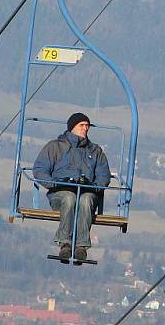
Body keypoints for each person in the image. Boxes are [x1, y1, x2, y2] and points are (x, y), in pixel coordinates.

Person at [32, 112, 111, 262]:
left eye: (87, 126)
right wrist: (56, 182)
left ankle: (81, 246)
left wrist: (93, 186)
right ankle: (65, 243)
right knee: (69, 198)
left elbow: (103, 175)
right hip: (60, 192)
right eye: (82, 125)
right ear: (72, 127)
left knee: (86, 200)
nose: (85, 129)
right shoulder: (55, 147)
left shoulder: (95, 151)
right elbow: (40, 169)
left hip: (87, 192)